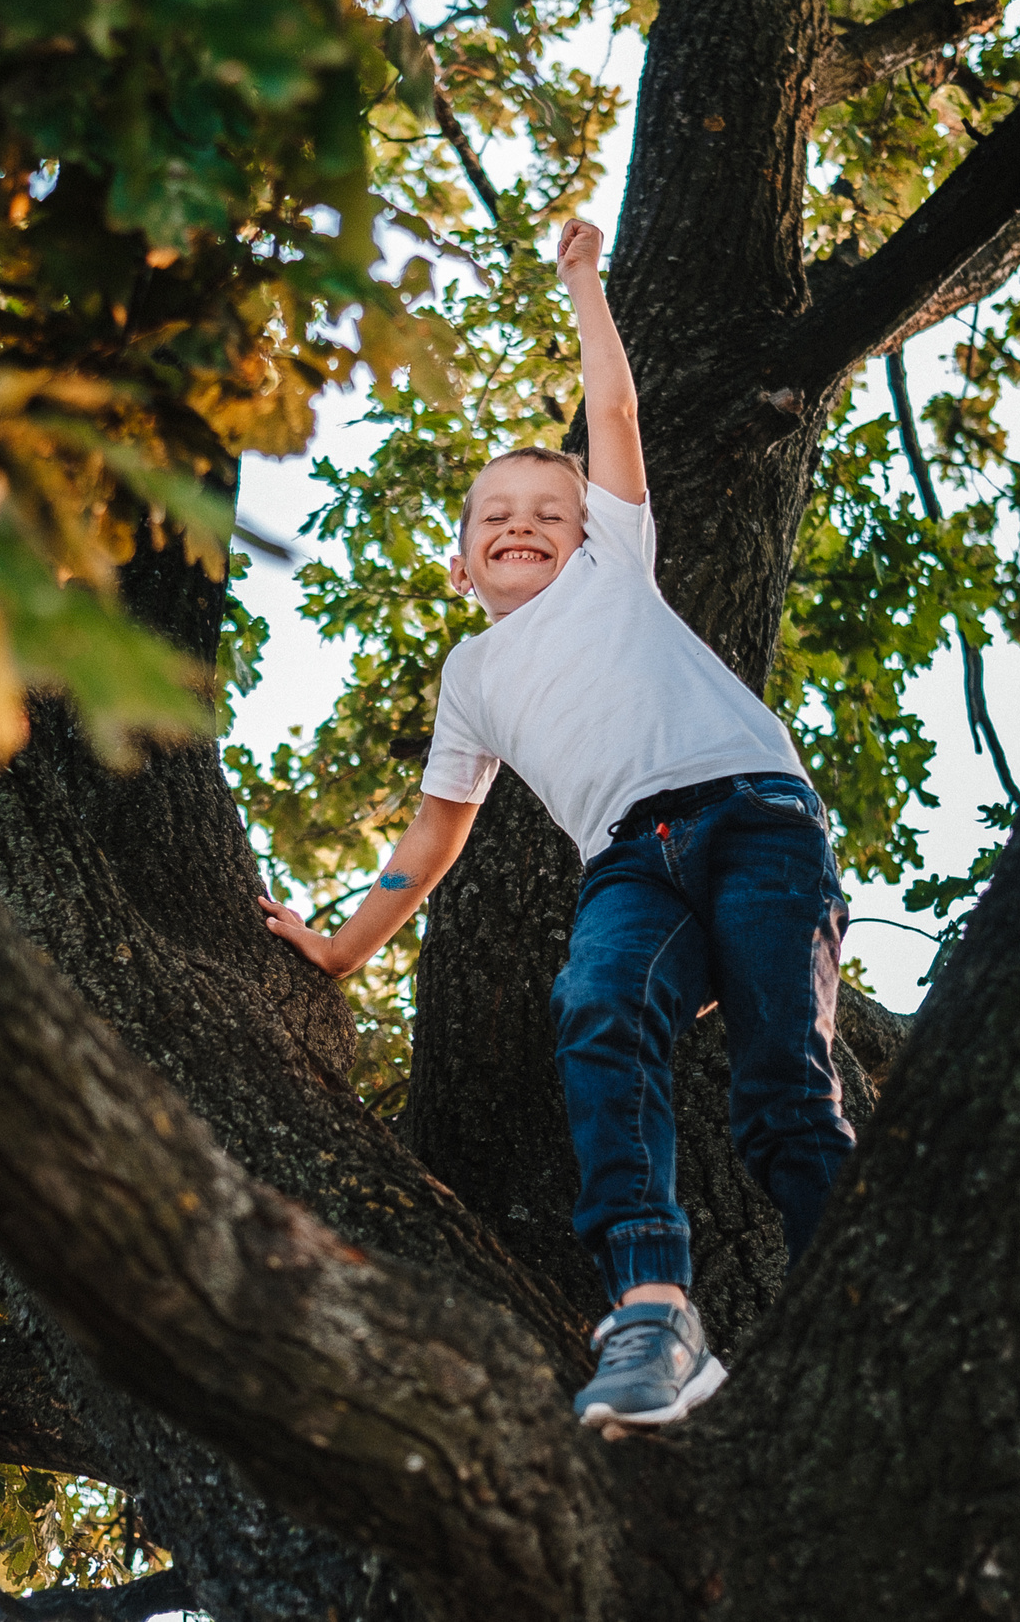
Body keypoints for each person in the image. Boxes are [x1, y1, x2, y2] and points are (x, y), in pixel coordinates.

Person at [258, 217, 854, 1431]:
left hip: (755, 824)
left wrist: (585, 283)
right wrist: (338, 949)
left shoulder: (612, 570)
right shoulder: (470, 677)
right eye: (494, 516)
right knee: (593, 1005)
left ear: (589, 530)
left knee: (781, 1071)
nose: (523, 521)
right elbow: (431, 839)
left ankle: (864, 1298)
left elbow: (616, 419)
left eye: (550, 506)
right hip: (630, 862)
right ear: (461, 564)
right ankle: (653, 1310)